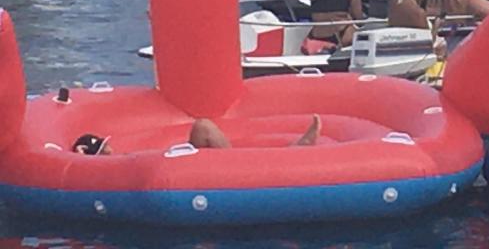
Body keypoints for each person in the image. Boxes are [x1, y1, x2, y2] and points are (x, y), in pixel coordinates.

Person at [72, 116, 321, 155]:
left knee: (203, 127)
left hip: (176, 161)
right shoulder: (108, 171)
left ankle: (295, 148)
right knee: (203, 127)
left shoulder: (116, 163)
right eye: (104, 149)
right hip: (171, 165)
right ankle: (296, 148)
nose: (111, 150)